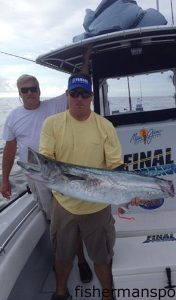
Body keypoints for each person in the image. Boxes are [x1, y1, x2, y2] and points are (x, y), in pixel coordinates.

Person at [39, 72, 128, 300]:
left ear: (91, 97)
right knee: (62, 256)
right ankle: (61, 293)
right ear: (67, 95)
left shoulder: (105, 126)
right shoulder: (52, 124)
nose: (79, 98)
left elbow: (116, 166)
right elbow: (46, 158)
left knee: (102, 258)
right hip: (64, 205)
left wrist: (127, 192)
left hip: (97, 207)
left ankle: (107, 296)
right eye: (75, 93)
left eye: (84, 94)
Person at [0, 73, 92, 284]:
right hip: (37, 180)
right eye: (25, 90)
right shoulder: (13, 117)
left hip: (60, 175)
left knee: (72, 218)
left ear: (40, 90)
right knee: (54, 223)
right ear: (19, 94)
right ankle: (61, 260)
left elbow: (76, 87)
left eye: (34, 88)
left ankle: (81, 261)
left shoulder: (53, 105)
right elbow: (9, 150)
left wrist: (86, 60)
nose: (30, 93)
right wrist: (5, 180)